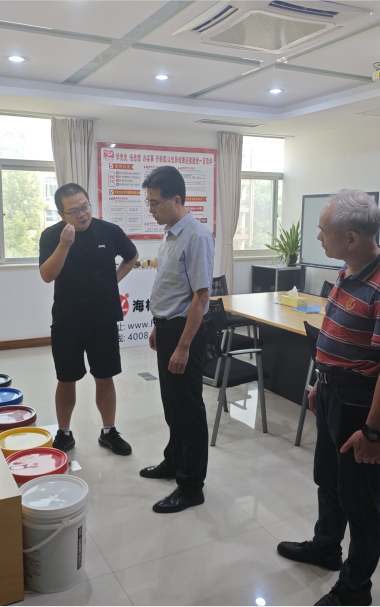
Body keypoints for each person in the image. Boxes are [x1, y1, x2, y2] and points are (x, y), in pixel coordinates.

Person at [277, 190, 380, 606]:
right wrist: (322, 382)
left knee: (360, 500)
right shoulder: (348, 270)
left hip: (360, 402)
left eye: (324, 231)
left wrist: (372, 432)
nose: (318, 237)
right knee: (329, 479)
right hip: (333, 390)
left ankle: (355, 589)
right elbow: (341, 337)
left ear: (351, 237)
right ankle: (326, 547)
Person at [39, 183, 139, 456]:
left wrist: (111, 282)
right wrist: (64, 245)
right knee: (66, 379)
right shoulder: (52, 236)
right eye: (74, 211)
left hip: (103, 317)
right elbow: (47, 275)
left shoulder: (109, 231)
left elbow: (131, 257)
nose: (82, 214)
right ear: (61, 214)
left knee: (105, 377)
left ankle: (109, 431)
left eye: (85, 207)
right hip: (67, 320)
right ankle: (64, 432)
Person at [138, 166, 214, 514]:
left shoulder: (197, 236)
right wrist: (159, 324)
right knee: (172, 405)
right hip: (169, 328)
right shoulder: (170, 233)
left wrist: (183, 346)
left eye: (155, 203)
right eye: (149, 202)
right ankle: (173, 461)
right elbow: (172, 287)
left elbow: (201, 297)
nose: (151, 209)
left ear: (177, 200)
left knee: (188, 409)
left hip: (186, 333)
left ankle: (191, 486)